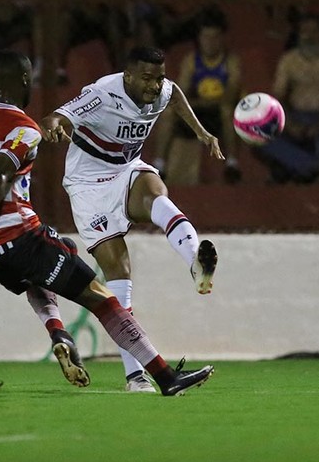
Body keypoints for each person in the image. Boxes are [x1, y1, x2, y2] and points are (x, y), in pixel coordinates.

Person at [0, 50, 214, 397]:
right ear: (27, 81)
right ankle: (164, 377)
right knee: (101, 299)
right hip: (14, 235)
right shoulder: (25, 128)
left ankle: (58, 332)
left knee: (43, 269)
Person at [40, 46, 222, 393]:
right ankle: (135, 375)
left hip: (125, 170)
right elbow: (55, 117)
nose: (156, 86)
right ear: (128, 76)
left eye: (160, 77)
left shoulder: (162, 90)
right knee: (118, 275)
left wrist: (201, 132)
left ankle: (195, 261)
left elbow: (176, 96)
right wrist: (52, 128)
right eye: (148, 78)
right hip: (88, 184)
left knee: (156, 192)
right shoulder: (101, 94)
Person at [154, 9, 242, 185]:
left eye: (215, 37)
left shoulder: (231, 62)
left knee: (227, 110)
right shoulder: (191, 61)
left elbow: (230, 96)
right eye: (206, 37)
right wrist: (195, 104)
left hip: (219, 116)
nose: (210, 43)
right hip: (198, 114)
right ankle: (159, 165)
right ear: (199, 39)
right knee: (169, 113)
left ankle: (232, 164)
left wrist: (199, 102)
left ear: (222, 39)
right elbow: (179, 95)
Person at [257, 15, 319, 184]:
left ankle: (298, 169)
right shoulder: (288, 60)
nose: (310, 36)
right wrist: (291, 124)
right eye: (305, 32)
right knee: (260, 135)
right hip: (295, 117)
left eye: (314, 31)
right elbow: (278, 96)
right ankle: (314, 168)